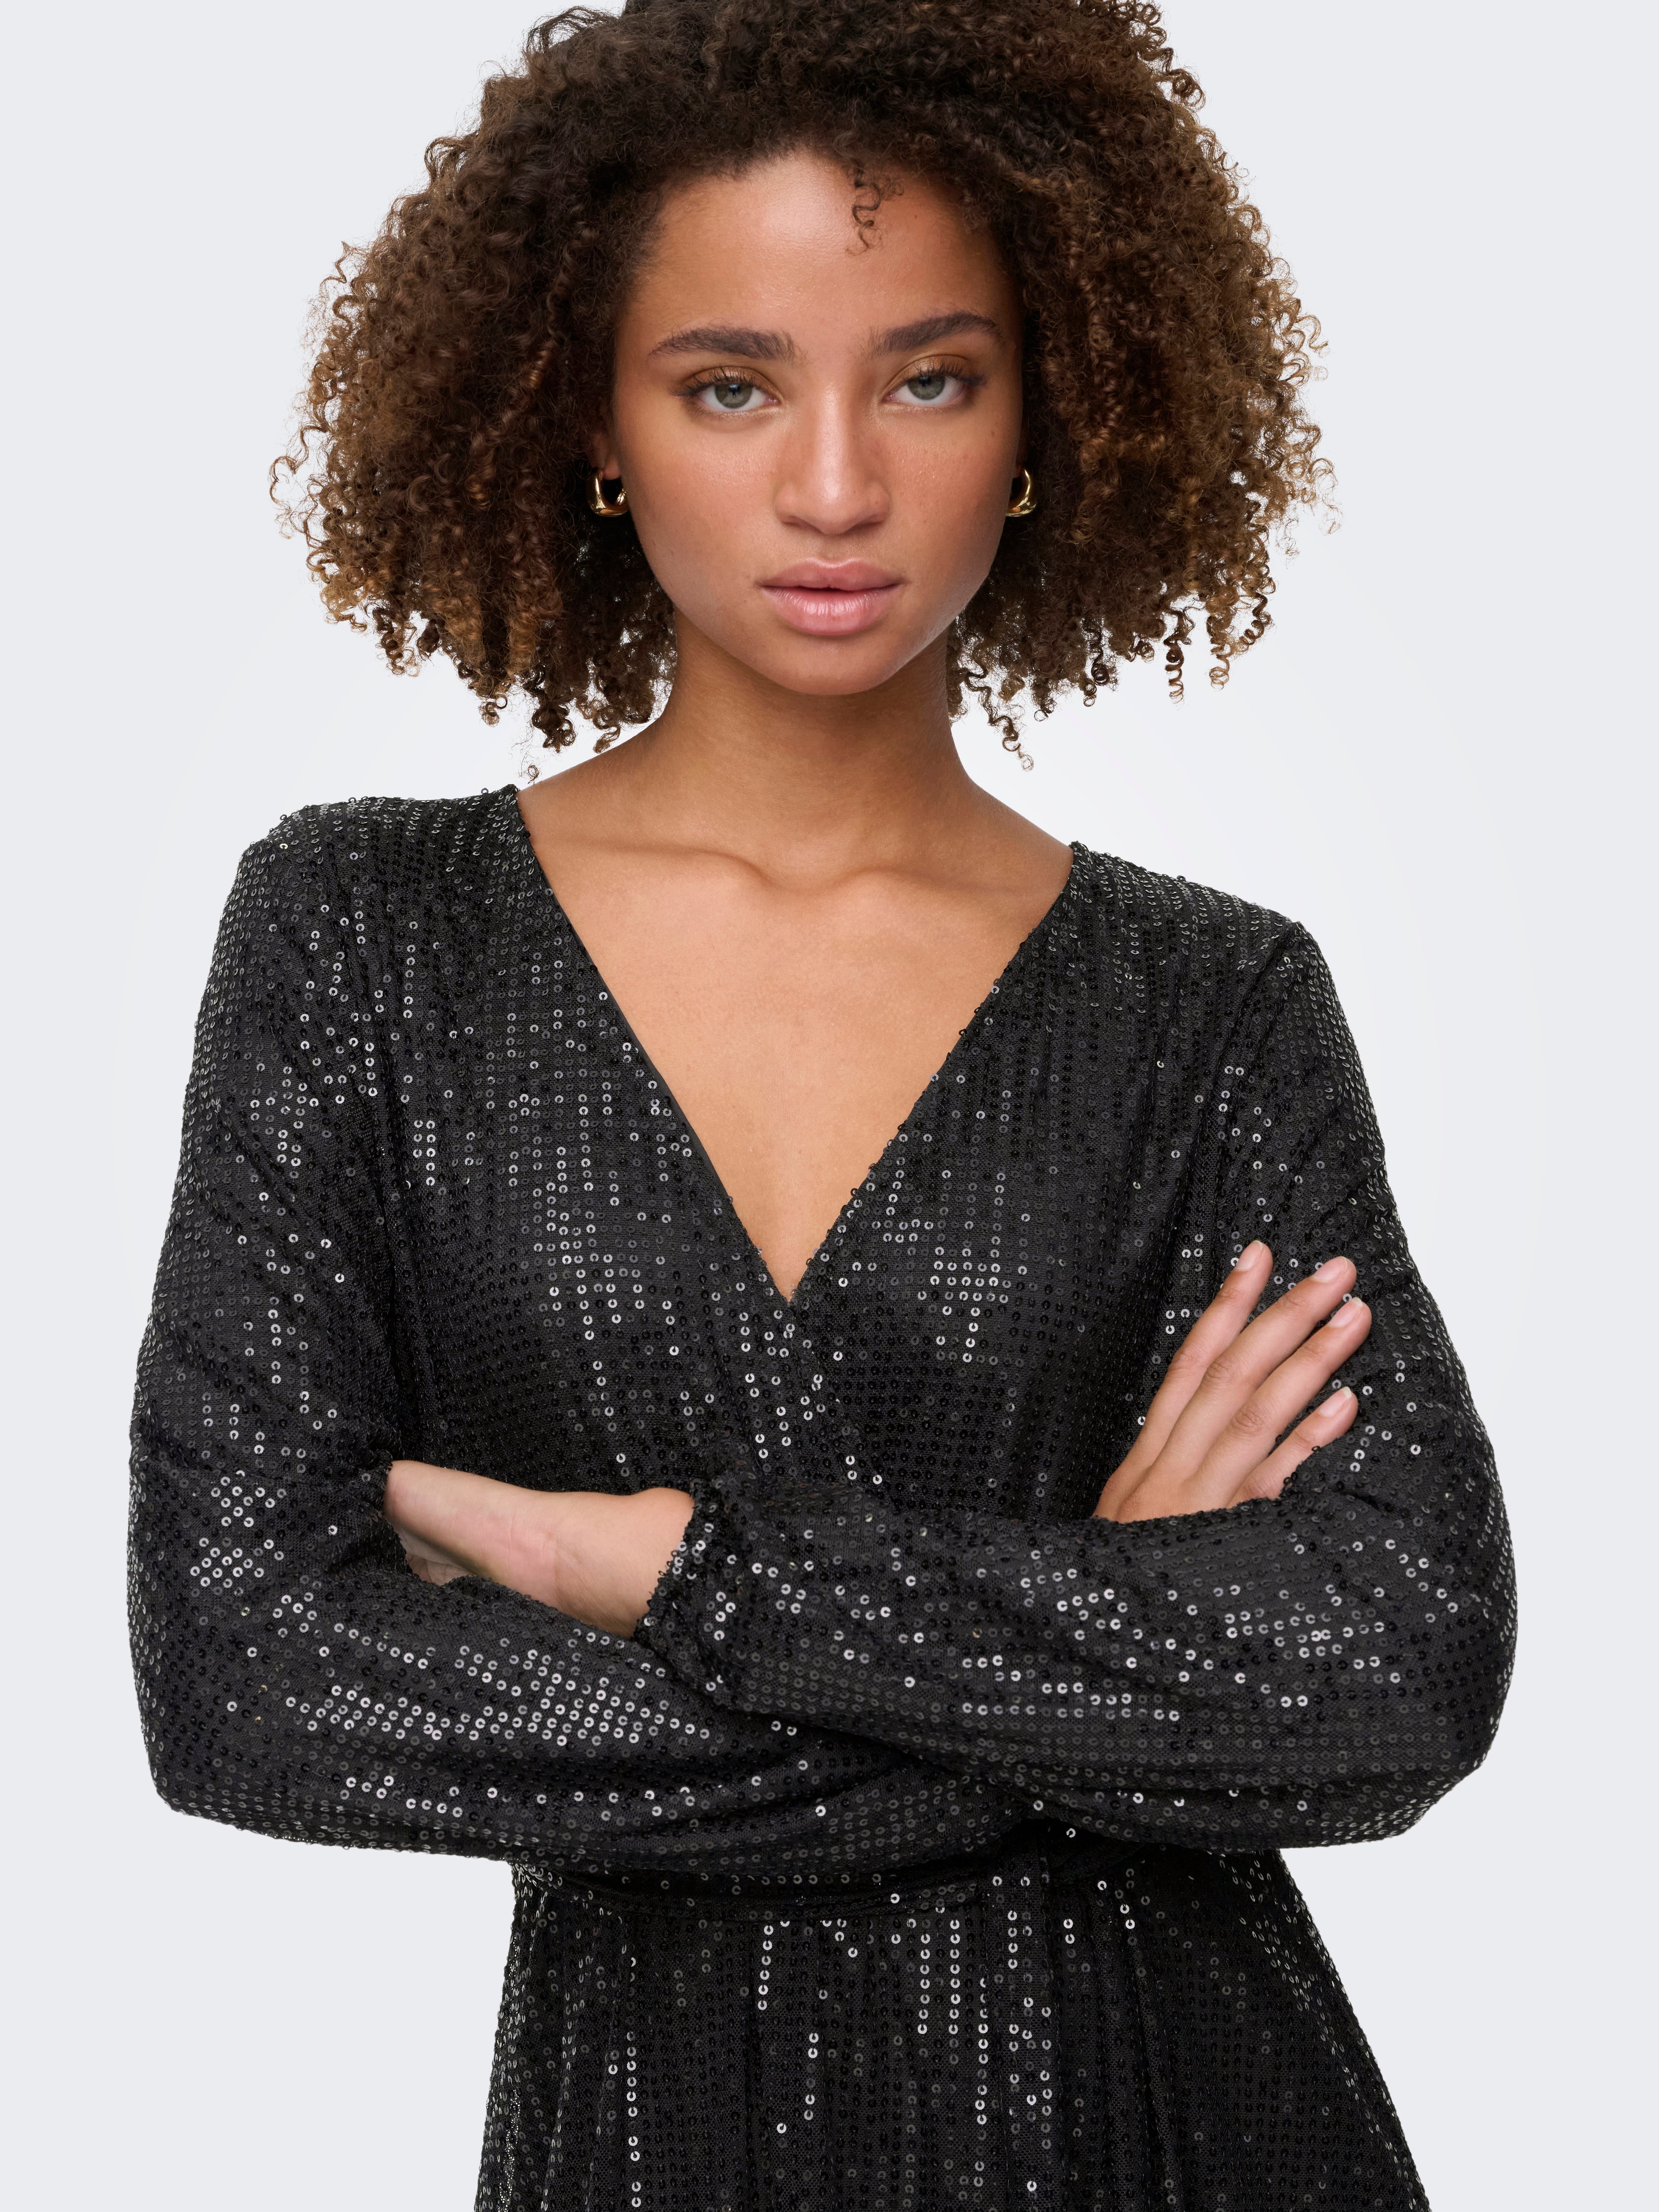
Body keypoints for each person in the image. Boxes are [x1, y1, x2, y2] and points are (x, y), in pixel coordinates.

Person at [127, 4, 1515, 2206]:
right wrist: (1078, 1641)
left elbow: (1397, 1668)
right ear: (591, 418)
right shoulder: (366, 938)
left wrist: (655, 1572)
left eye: (931, 379)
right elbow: (249, 1682)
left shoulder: (1205, 1001)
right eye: (730, 386)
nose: (839, 485)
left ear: (1049, 415)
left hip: (1175, 2120)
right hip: (647, 2134)